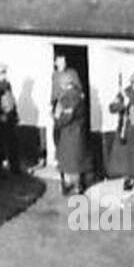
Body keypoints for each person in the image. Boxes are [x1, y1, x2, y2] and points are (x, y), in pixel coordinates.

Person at [52, 67, 90, 196]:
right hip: (78, 132)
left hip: (69, 133)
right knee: (77, 160)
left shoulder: (68, 98)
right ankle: (78, 185)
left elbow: (66, 117)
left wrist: (56, 119)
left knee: (69, 161)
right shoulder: (79, 95)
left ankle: (72, 185)